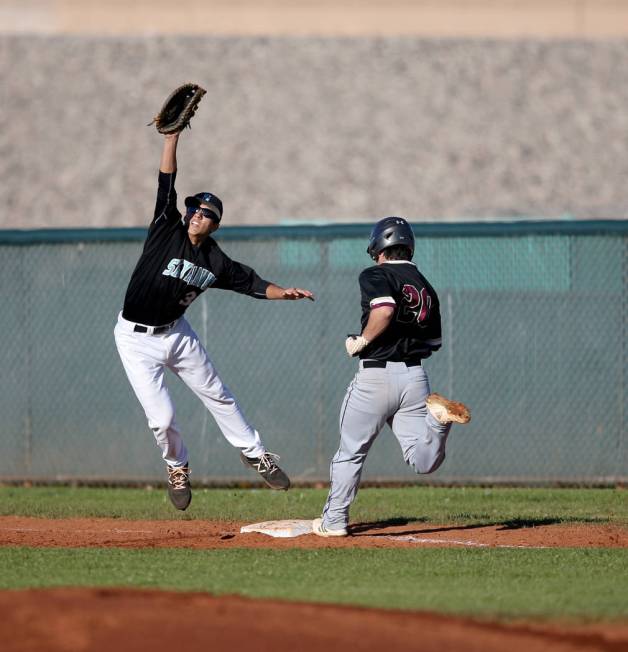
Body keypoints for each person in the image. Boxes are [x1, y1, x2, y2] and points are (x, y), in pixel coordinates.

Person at [114, 131, 314, 511]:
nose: (195, 214)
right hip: (135, 339)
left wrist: (283, 292)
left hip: (176, 334)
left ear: (215, 225)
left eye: (205, 213)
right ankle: (176, 466)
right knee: (162, 418)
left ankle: (255, 454)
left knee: (218, 394)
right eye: (194, 208)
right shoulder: (166, 228)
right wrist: (171, 138)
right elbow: (166, 180)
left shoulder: (215, 262)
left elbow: (252, 282)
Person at [312, 217, 470, 537]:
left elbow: (383, 309)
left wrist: (364, 340)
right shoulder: (425, 284)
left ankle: (334, 522)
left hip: (375, 377)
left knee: (350, 453)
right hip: (415, 378)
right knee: (423, 461)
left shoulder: (376, 273)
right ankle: (438, 422)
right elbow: (434, 343)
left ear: (380, 248)